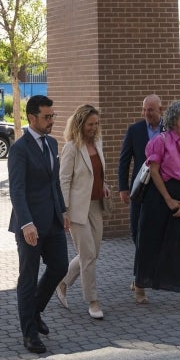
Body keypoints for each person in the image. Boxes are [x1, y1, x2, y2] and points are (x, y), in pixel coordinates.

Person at [7, 95, 69, 355]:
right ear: (32, 118)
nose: (52, 121)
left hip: (53, 220)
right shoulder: (20, 149)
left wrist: (63, 211)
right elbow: (17, 191)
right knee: (28, 278)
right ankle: (29, 333)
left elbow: (54, 182)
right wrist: (27, 223)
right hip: (29, 225)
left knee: (60, 267)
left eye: (53, 116)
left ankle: (35, 311)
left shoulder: (52, 143)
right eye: (47, 117)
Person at [133, 98, 180, 310]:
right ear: (174, 119)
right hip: (159, 195)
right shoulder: (160, 141)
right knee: (149, 241)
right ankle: (139, 284)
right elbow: (154, 171)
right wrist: (169, 200)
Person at [56, 103, 110, 320]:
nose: (94, 128)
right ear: (80, 124)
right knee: (88, 255)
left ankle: (62, 281)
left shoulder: (98, 143)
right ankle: (93, 301)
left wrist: (104, 185)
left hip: (96, 205)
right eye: (90, 124)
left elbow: (98, 173)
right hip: (77, 209)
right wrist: (64, 210)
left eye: (96, 123)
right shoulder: (71, 147)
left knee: (92, 253)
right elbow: (64, 180)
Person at [118, 94, 163, 244]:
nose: (146, 113)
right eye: (144, 110)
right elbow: (124, 160)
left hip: (164, 185)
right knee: (137, 225)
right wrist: (123, 188)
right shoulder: (134, 130)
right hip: (140, 186)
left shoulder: (169, 129)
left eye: (150, 110)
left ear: (160, 110)